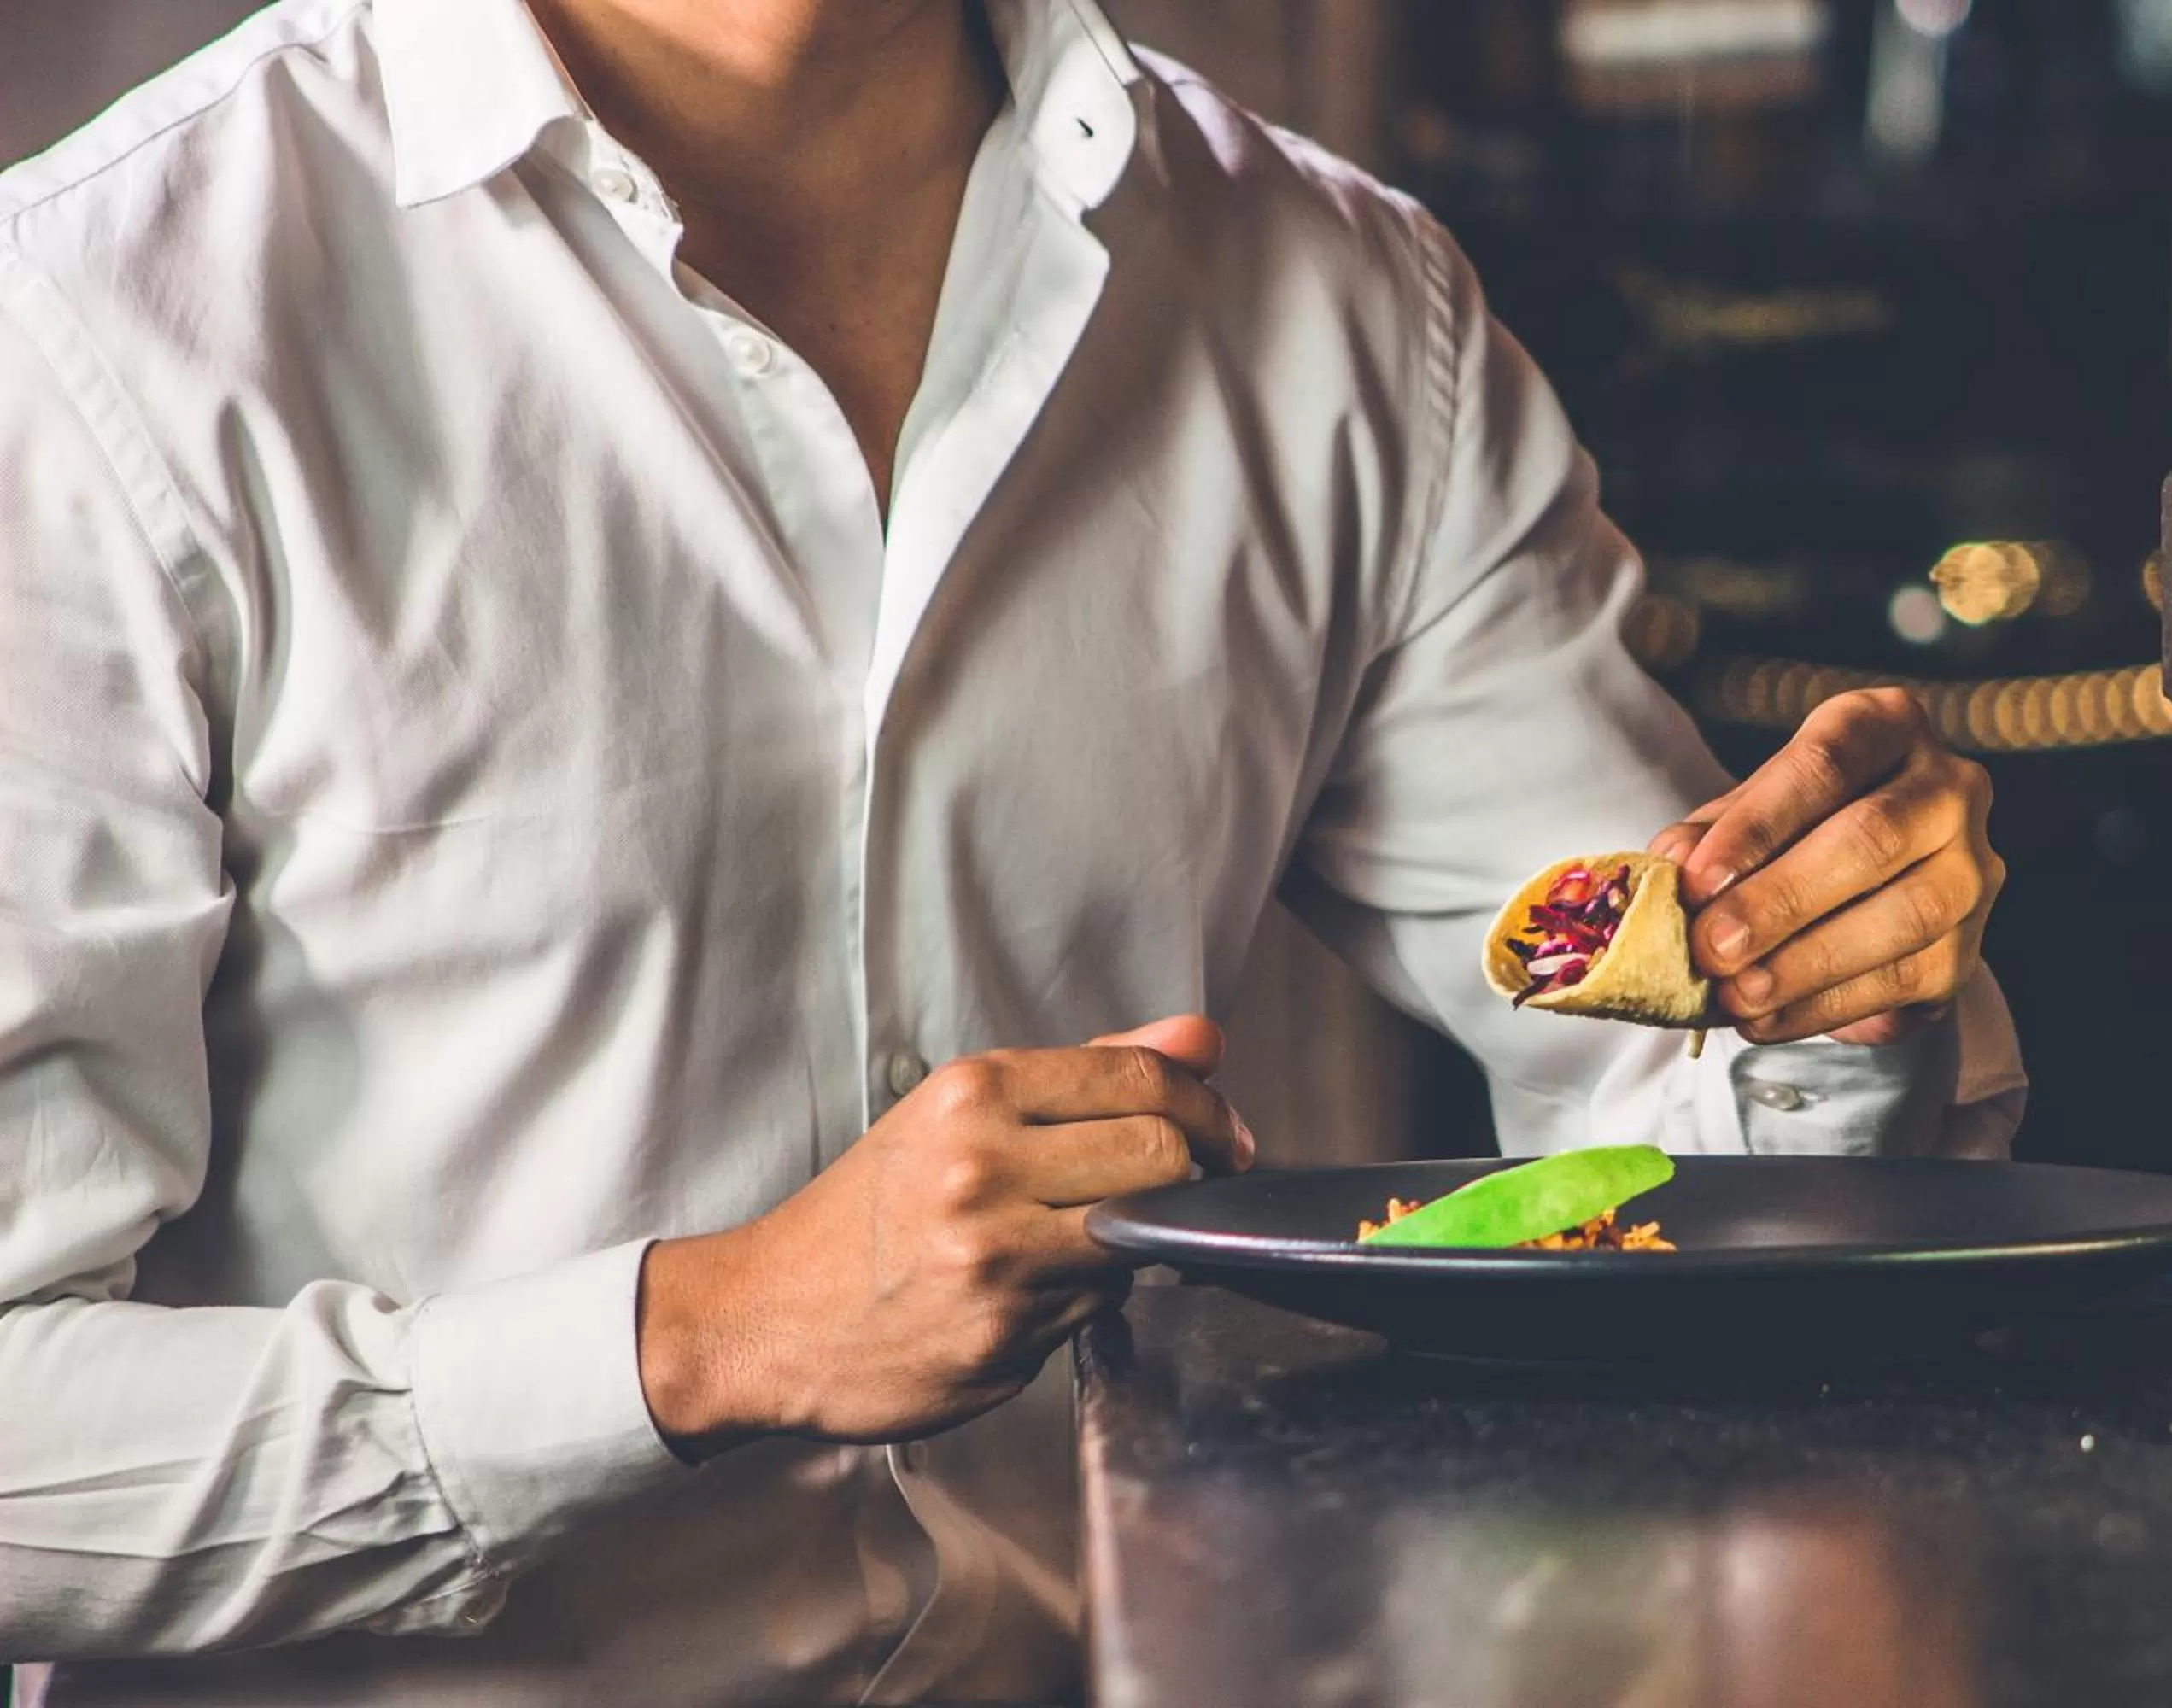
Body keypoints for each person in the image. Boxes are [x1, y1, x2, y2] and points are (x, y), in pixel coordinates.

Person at [0, 0, 2023, 1699]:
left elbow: (1690, 1160)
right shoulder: (101, 326)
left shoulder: (1339, 306)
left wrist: (1822, 975)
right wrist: (700, 1335)